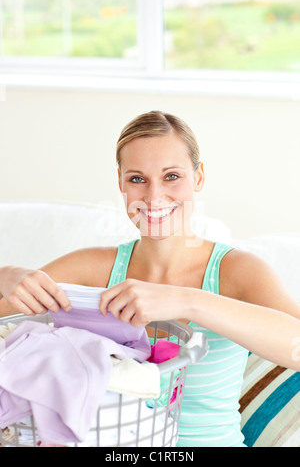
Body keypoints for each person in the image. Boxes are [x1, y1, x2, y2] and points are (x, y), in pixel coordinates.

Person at [0, 111, 299, 447]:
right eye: (137, 179)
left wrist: (188, 301)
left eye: (171, 176)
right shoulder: (92, 267)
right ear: (120, 183)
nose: (154, 197)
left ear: (198, 177)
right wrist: (4, 276)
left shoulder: (237, 271)